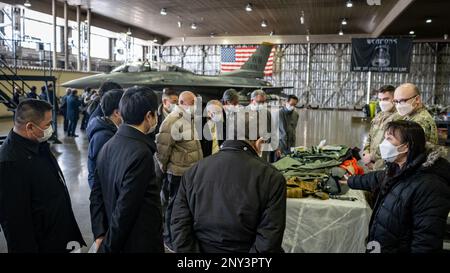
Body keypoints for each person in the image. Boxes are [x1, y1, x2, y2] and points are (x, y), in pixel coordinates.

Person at [171, 112, 286, 253]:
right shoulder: (271, 177)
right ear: (259, 141)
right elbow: (269, 238)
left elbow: (179, 225)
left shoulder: (194, 171)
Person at [341, 120, 450, 253]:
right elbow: (376, 178)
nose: (383, 143)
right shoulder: (399, 168)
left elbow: (426, 241)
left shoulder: (430, 186)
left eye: (389, 139)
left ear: (405, 147)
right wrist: (351, 180)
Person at [0, 99, 85, 252]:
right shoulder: (9, 163)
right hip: (45, 244)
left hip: (60, 235)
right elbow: (16, 225)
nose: (51, 129)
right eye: (47, 125)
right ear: (30, 127)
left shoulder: (37, 144)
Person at [90, 86, 163, 253]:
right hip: (138, 243)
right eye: (155, 113)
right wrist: (106, 249)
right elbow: (125, 210)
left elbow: (96, 194)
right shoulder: (141, 154)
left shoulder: (108, 145)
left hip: (115, 236)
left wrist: (100, 233)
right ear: (149, 116)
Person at [155, 91, 203, 250]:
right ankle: (168, 238)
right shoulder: (172, 121)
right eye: (193, 103)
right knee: (173, 207)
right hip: (176, 174)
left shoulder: (188, 119)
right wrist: (164, 167)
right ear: (183, 102)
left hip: (189, 172)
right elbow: (162, 149)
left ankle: (181, 236)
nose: (196, 107)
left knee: (184, 208)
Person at [86, 89, 124, 190]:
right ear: (117, 112)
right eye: (127, 107)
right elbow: (102, 174)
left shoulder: (108, 128)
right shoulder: (104, 137)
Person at [362, 85, 398, 170]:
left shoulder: (399, 118)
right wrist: (366, 152)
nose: (382, 102)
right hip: (371, 164)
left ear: (394, 99)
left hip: (384, 167)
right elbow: (370, 137)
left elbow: (393, 147)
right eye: (380, 99)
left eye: (386, 99)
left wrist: (373, 160)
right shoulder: (379, 116)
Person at [246, 89, 275, 162]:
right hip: (248, 149)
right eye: (259, 102)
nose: (261, 104)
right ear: (252, 100)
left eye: (263, 102)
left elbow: (271, 130)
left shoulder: (267, 113)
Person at [277, 95, 299, 160]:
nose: (293, 107)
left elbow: (293, 130)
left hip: (291, 144)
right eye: (291, 104)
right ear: (286, 102)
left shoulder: (296, 115)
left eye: (295, 105)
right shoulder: (278, 114)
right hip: (280, 145)